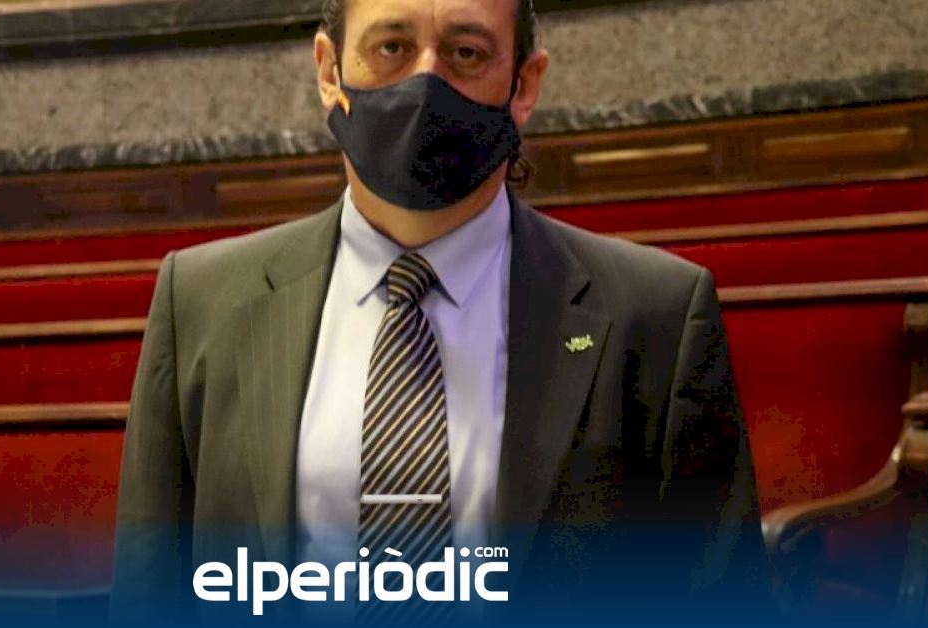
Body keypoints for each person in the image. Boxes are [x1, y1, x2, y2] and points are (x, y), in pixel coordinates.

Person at [111, 0, 773, 624]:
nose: (425, 82)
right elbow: (150, 596)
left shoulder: (655, 315)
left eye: (465, 52)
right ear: (328, 70)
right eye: (391, 47)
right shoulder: (201, 302)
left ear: (524, 85)